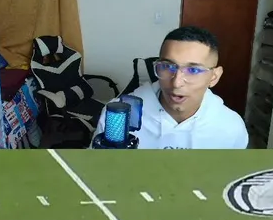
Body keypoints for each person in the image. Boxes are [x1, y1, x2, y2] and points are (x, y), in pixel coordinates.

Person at [94, 26, 248, 150]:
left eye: (193, 70)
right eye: (167, 66)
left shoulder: (230, 127)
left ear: (214, 77)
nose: (176, 83)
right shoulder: (118, 117)